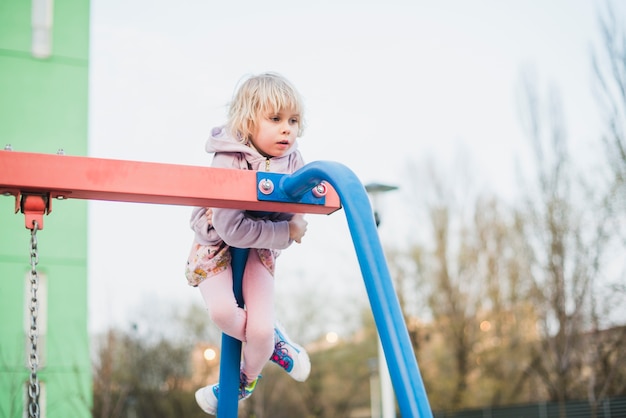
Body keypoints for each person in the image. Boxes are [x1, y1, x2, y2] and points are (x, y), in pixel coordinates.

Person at [185, 72, 311, 415]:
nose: (287, 129)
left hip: (258, 249)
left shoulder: (294, 161)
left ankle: (246, 376)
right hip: (215, 247)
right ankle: (274, 345)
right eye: (275, 119)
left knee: (257, 330)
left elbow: (301, 206)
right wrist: (287, 232)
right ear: (247, 120)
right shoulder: (229, 157)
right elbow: (231, 229)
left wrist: (296, 217)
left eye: (293, 120)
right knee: (224, 312)